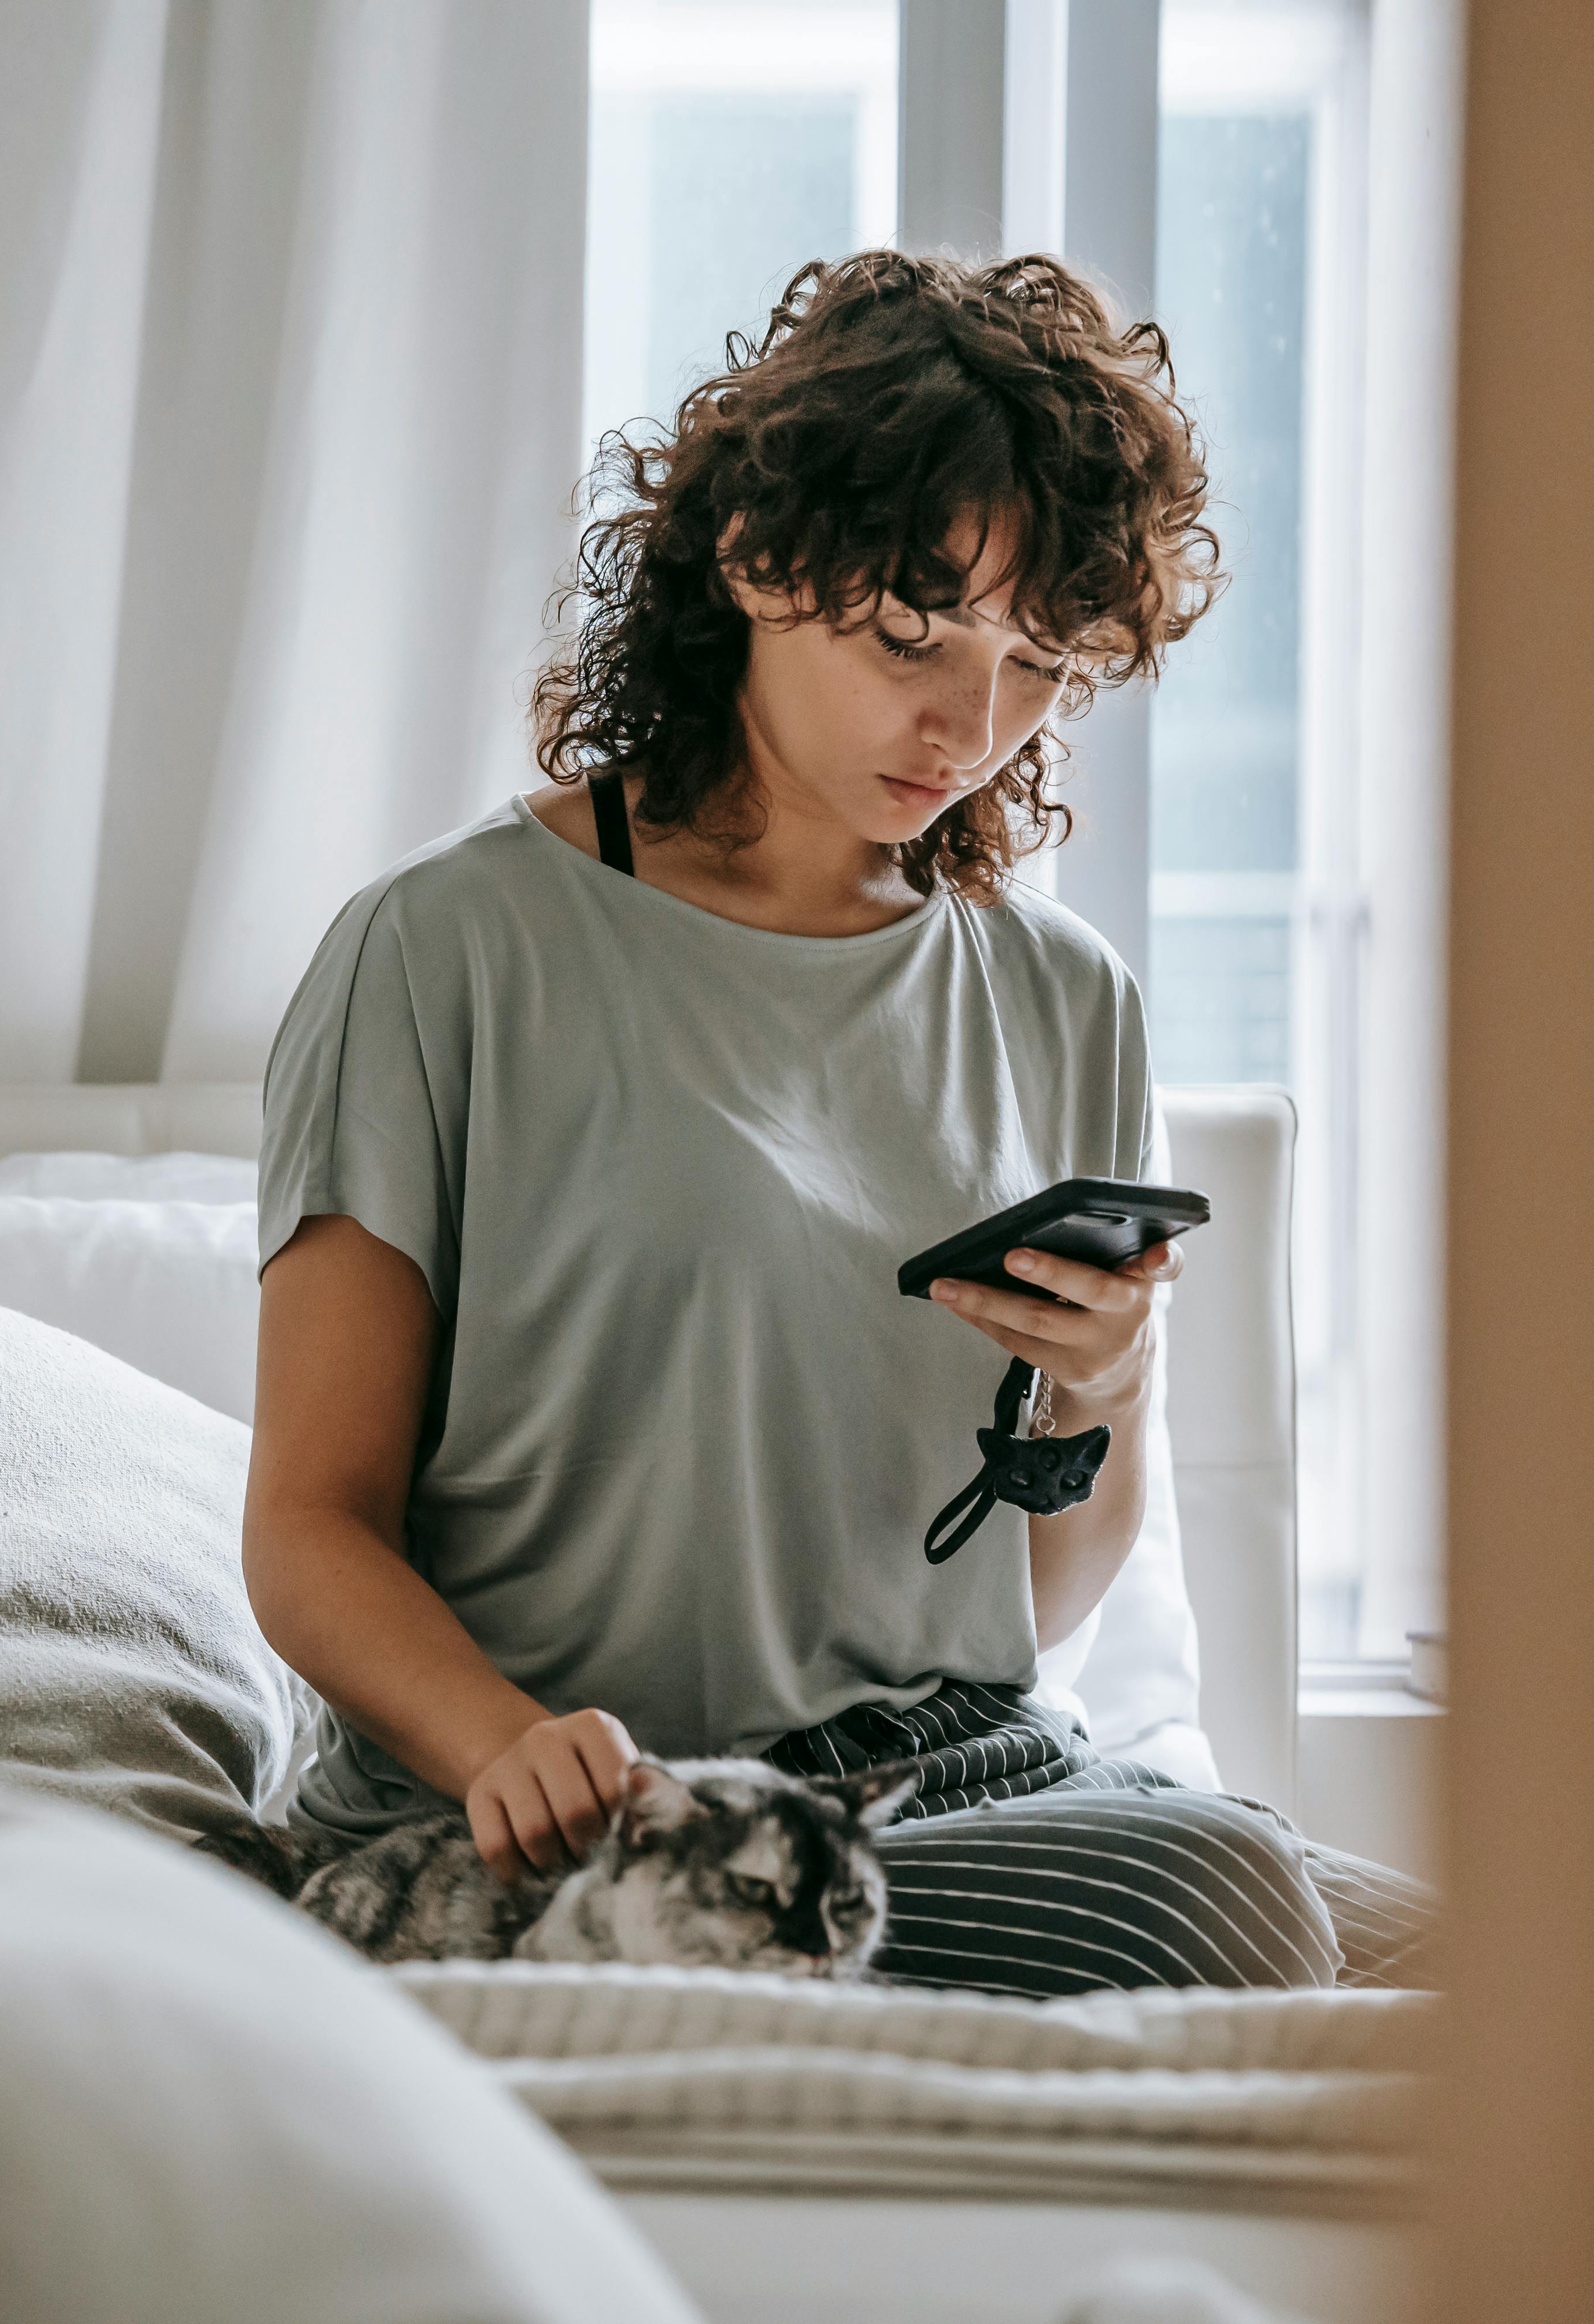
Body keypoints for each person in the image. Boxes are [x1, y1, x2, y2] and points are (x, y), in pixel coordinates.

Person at [245, 250, 1428, 1995]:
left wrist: (1100, 1390)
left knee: (1560, 1985)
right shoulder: (445, 952)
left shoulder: (1061, 995)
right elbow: (306, 1529)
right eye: (913, 633)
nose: (974, 723)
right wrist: (505, 1744)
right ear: (753, 558)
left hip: (951, 1783)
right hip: (563, 1820)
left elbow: (1028, 1611)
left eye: (1039, 662)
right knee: (1218, 1888)